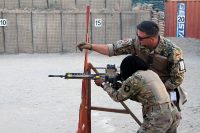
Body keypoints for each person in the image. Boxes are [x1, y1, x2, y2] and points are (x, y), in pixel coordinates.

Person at [77, 20, 187, 110]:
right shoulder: (137, 43)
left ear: (152, 39)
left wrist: (159, 89)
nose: (137, 40)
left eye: (140, 38)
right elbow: (112, 49)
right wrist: (91, 46)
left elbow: (178, 78)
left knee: (170, 118)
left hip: (167, 90)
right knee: (151, 118)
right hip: (147, 87)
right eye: (137, 36)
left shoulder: (173, 51)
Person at [95, 55, 181, 133]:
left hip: (158, 117)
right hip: (173, 113)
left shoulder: (135, 78)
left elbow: (117, 97)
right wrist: (120, 87)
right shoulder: (151, 73)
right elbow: (144, 95)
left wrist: (103, 84)